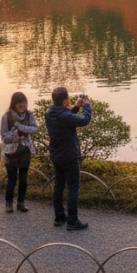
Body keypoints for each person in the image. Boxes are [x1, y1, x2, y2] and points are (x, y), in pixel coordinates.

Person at [44, 87, 92, 231]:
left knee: (59, 185)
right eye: (69, 99)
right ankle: (72, 220)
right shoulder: (64, 115)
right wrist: (86, 105)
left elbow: (65, 119)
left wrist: (76, 107)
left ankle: (59, 216)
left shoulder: (49, 113)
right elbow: (85, 120)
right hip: (69, 156)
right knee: (73, 187)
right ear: (65, 100)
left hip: (56, 155)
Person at [0, 91, 38, 213]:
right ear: (14, 104)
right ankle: (9, 203)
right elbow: (4, 137)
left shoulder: (29, 114)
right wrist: (15, 134)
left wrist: (22, 128)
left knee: (23, 178)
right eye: (20, 105)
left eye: (24, 104)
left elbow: (34, 128)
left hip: (25, 150)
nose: (23, 107)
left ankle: (21, 203)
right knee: (12, 178)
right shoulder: (6, 117)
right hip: (10, 151)